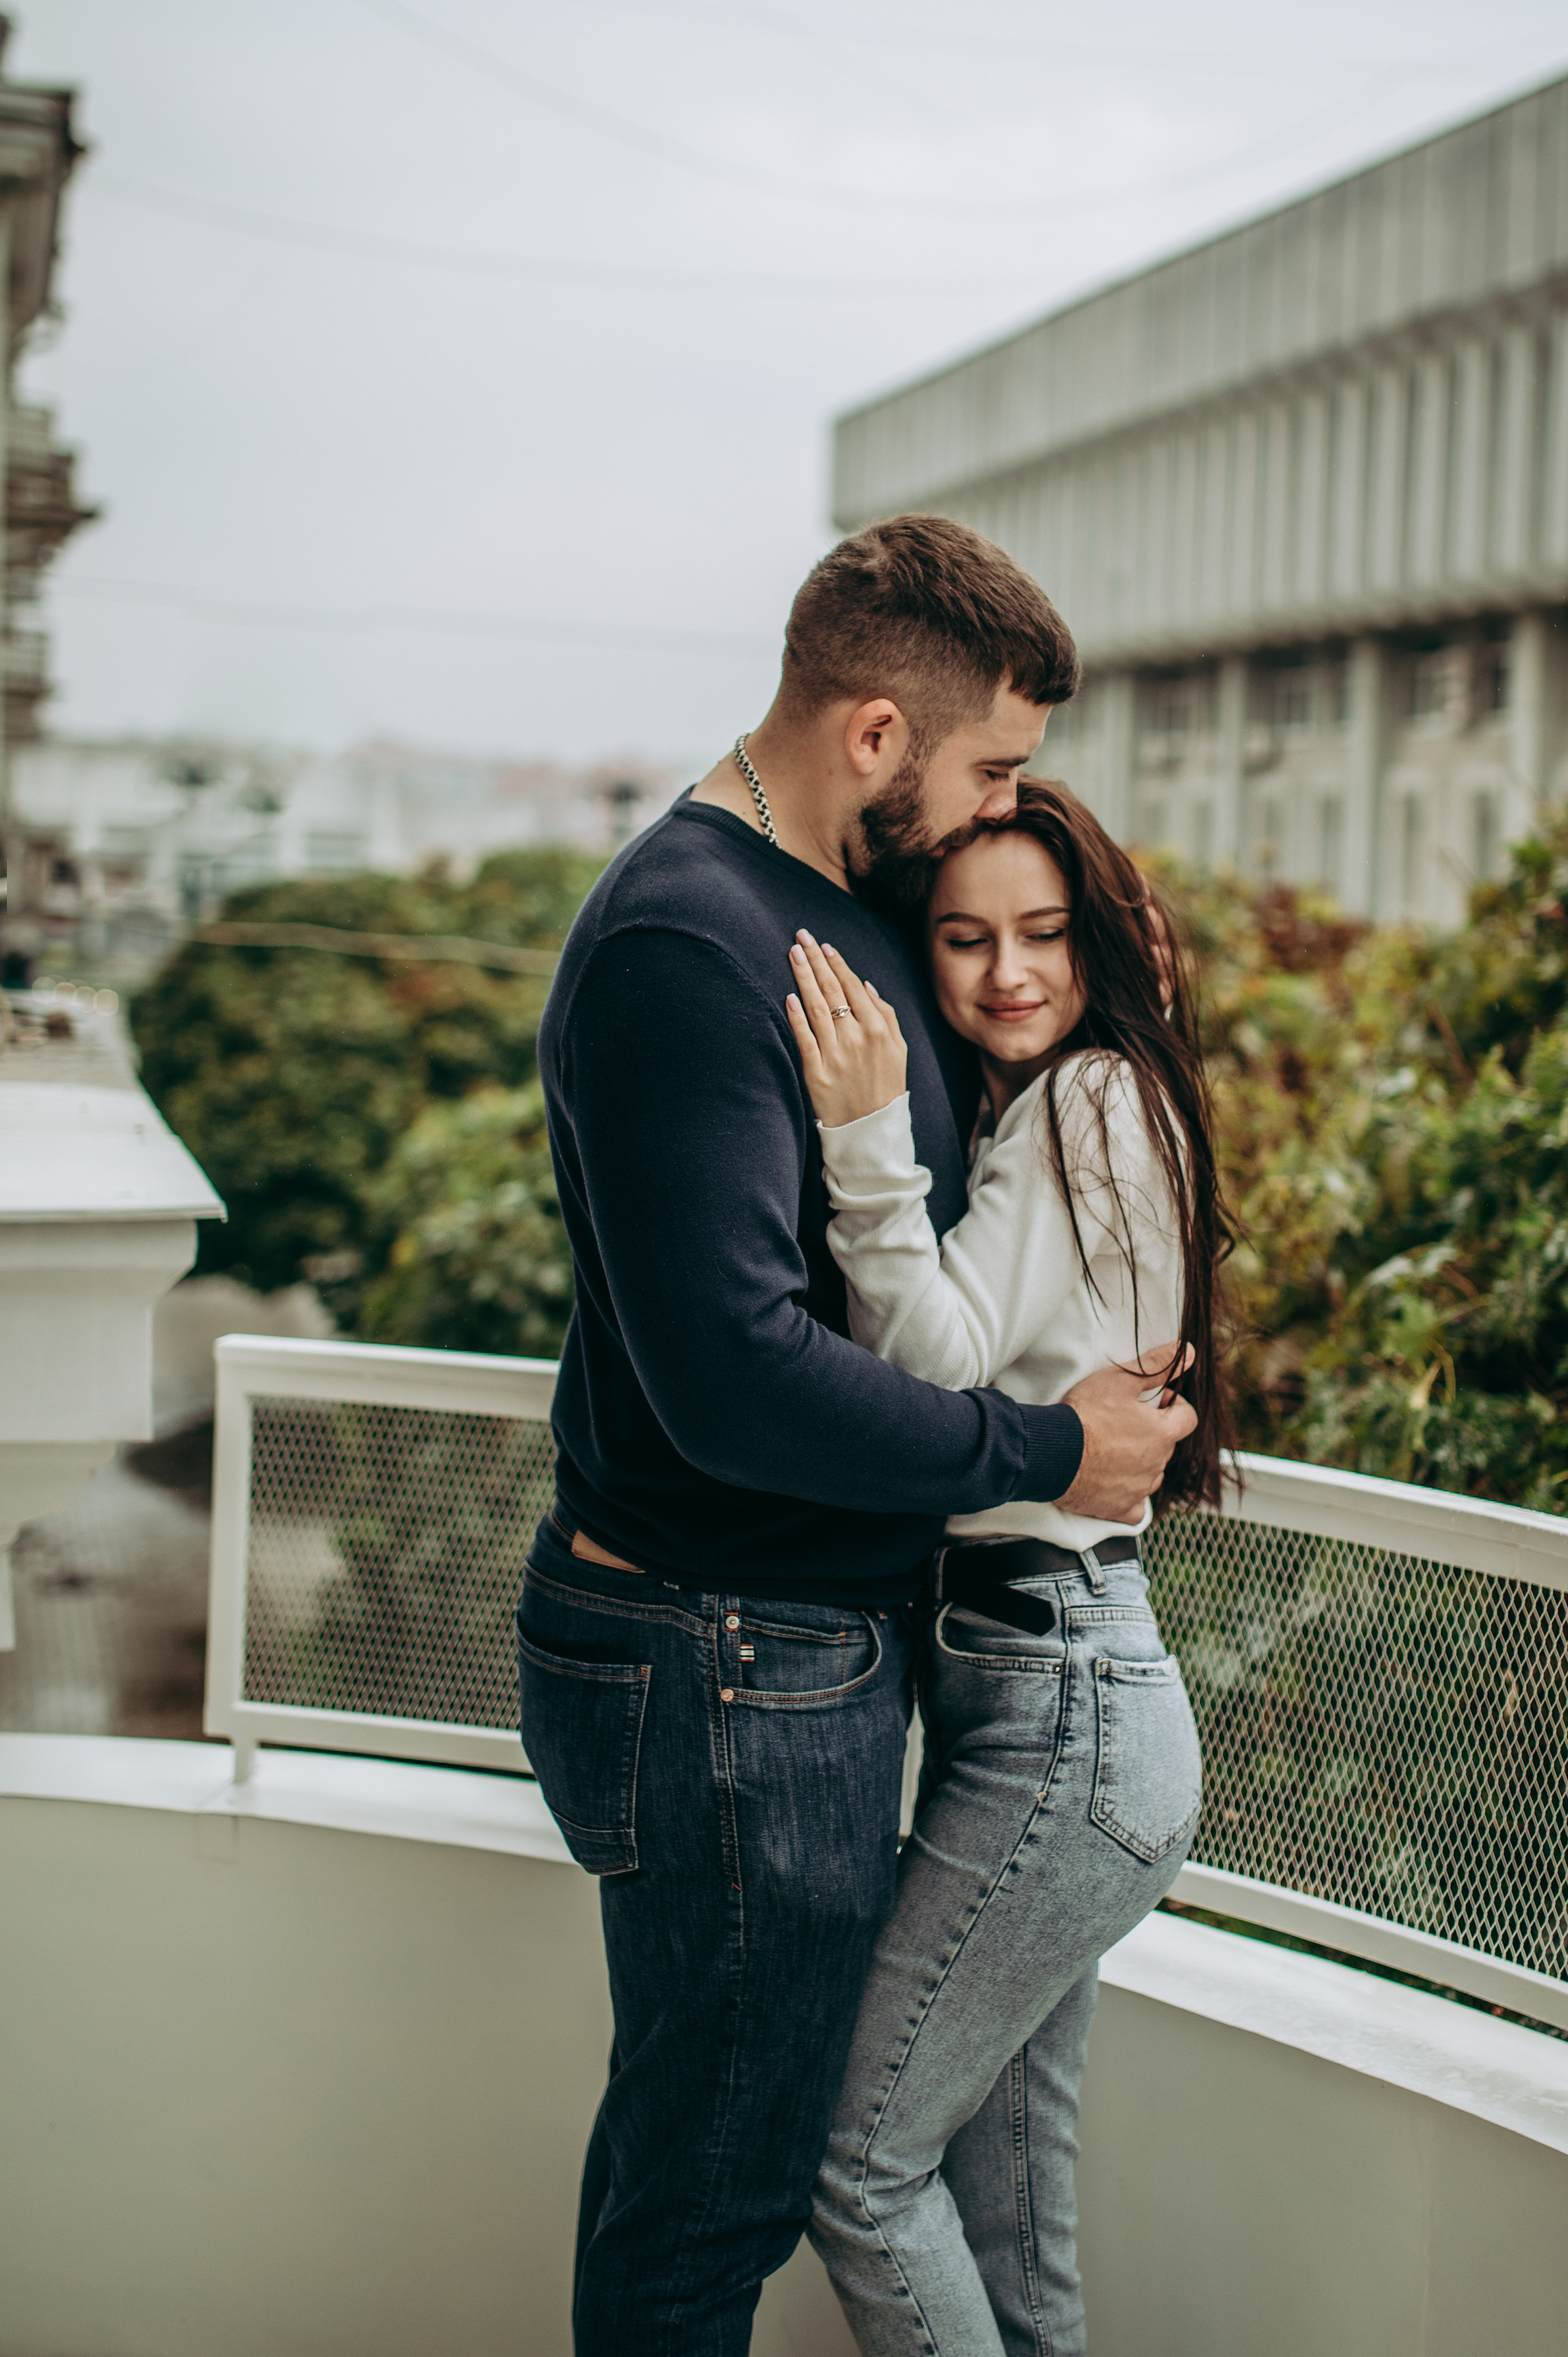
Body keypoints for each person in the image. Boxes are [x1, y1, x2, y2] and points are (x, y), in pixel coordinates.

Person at [520, 516, 1197, 2356]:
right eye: (994, 762)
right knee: (714, 2200)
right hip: (724, 1660)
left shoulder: (827, 905)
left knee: (738, 2169)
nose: (1009, 797)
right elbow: (731, 1374)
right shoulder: (693, 936)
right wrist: (1044, 1456)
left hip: (802, 1654)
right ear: (881, 734)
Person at [783, 779, 1232, 2356]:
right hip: (1061, 1694)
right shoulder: (1088, 1101)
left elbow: (939, 1358)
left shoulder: (1087, 1101)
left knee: (854, 2167)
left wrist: (858, 1136)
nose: (1005, 974)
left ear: (1099, 940)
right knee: (1009, 2214)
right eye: (963, 939)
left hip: (1060, 1705)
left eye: (1044, 932)